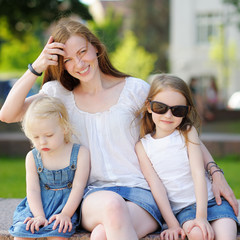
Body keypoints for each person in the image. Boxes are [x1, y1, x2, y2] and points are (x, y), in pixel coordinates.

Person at [0, 17, 238, 239]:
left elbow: (181, 129)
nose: (79, 64)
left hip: (141, 194)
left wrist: (215, 172)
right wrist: (37, 67)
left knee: (102, 234)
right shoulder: (59, 95)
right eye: (68, 59)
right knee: (112, 206)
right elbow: (7, 114)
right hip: (93, 195)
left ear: (96, 48)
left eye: (83, 52)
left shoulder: (134, 90)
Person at [135, 74, 238, 240]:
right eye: (161, 107)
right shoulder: (142, 147)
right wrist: (173, 224)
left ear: (187, 111)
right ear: (149, 106)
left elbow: (198, 173)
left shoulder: (188, 132)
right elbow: (156, 187)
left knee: (227, 235)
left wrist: (202, 217)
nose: (168, 115)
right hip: (184, 211)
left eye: (177, 110)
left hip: (213, 202)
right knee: (198, 235)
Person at [9, 96, 90, 239]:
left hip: (65, 208)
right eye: (36, 137)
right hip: (37, 207)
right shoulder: (33, 157)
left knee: (58, 232)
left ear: (64, 128)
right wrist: (38, 215)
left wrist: (66, 214)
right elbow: (33, 190)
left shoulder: (79, 153)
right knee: (22, 231)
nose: (42, 142)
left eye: (49, 135)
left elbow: (78, 187)